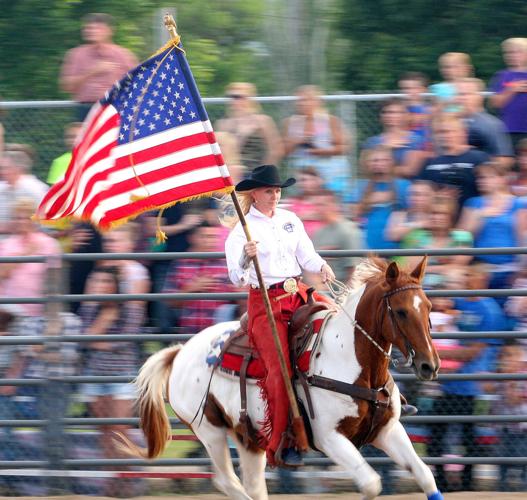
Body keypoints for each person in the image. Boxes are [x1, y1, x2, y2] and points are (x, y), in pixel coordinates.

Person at [224, 164, 335, 467]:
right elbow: (237, 277)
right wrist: (247, 258)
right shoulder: (241, 231)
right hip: (265, 303)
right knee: (278, 368)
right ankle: (282, 440)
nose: (275, 195)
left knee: (337, 321)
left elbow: (307, 255)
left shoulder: (290, 220)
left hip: (297, 293)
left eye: (277, 190)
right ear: (255, 194)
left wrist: (322, 266)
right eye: (269, 191)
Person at [428, 263, 506, 492]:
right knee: (437, 436)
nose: (465, 279)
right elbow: (442, 308)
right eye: (465, 275)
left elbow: (474, 351)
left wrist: (437, 354)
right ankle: (443, 484)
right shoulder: (461, 302)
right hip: (450, 383)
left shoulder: (489, 311)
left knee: (467, 437)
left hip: (469, 385)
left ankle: (467, 486)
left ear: (481, 280)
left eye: (469, 275)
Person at [458, 162, 527, 291]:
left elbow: (523, 238)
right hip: (479, 269)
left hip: (511, 268)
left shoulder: (519, 204)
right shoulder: (473, 203)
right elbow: (461, 238)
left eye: (487, 177)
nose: (481, 181)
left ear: (502, 179)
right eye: (479, 177)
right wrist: (479, 216)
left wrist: (522, 270)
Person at [59, 13, 138, 120]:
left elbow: (139, 84)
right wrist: (92, 72)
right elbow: (66, 86)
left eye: (98, 28)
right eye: (88, 28)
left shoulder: (123, 55)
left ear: (109, 31)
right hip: (86, 109)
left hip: (114, 109)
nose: (91, 31)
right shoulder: (76, 55)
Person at [163, 222, 237, 334]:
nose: (211, 240)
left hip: (219, 334)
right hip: (189, 333)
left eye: (215, 237)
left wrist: (235, 290)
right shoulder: (180, 263)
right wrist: (190, 289)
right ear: (192, 238)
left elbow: (238, 300)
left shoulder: (226, 264)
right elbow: (169, 301)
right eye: (205, 236)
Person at [282, 85, 351, 194]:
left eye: (306, 100)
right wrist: (298, 141)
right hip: (302, 175)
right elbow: (283, 151)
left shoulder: (331, 121)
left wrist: (319, 151)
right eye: (299, 100)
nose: (301, 103)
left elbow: (344, 147)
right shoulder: (290, 123)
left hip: (329, 172)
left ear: (318, 101)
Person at [418, 114, 489, 218]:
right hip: (440, 221)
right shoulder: (429, 164)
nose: (444, 136)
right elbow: (419, 197)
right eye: (439, 132)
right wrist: (438, 197)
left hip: (474, 217)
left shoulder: (479, 158)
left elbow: (492, 190)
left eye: (449, 131)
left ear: (462, 133)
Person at [0, 198, 61, 317]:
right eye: (17, 218)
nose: (21, 222)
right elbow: (2, 273)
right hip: (7, 311)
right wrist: (26, 253)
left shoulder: (48, 243)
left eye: (26, 218)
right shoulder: (7, 244)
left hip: (35, 311)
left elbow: (55, 280)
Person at [350, 145, 411, 249]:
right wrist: (371, 200)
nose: (379, 164)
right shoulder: (361, 186)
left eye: (384, 160)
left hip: (396, 246)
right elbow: (353, 214)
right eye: (375, 160)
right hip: (367, 244)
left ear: (392, 162)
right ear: (368, 163)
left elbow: (412, 212)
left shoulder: (403, 185)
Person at [215, 82, 283, 170]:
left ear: (249, 98)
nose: (234, 101)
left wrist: (264, 173)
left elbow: (276, 150)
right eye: (230, 97)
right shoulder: (222, 124)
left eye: (238, 97)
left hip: (256, 172)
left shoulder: (263, 121)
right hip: (232, 174)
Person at [456, 77, 514, 169]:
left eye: (466, 94)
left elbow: (504, 159)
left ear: (480, 96)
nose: (461, 98)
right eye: (458, 94)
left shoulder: (491, 124)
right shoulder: (449, 123)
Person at [362, 98, 427, 178]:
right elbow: (365, 170)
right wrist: (385, 147)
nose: (390, 115)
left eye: (396, 112)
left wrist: (378, 167)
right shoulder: (371, 141)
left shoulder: (415, 140)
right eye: (385, 112)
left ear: (405, 115)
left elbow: (410, 171)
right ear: (380, 116)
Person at [312, 189, 363, 285]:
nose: (317, 209)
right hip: (321, 290)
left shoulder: (348, 231)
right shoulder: (318, 233)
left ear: (334, 206)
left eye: (321, 205)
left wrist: (344, 296)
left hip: (340, 291)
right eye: (316, 205)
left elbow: (354, 271)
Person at [0, 150, 49, 240]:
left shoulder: (35, 189)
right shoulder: (2, 188)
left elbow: (44, 223)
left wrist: (10, 227)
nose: (2, 172)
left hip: (30, 246)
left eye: (5, 168)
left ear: (18, 169)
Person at [489, 37, 527, 150]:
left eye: (517, 52)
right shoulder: (501, 76)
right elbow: (494, 104)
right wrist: (511, 89)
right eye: (508, 52)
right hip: (508, 130)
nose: (512, 55)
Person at [398, 71, 432, 146]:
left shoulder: (432, 109)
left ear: (423, 90)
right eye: (403, 88)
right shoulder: (398, 110)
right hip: (407, 147)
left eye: (411, 88)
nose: (406, 91)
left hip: (428, 147)